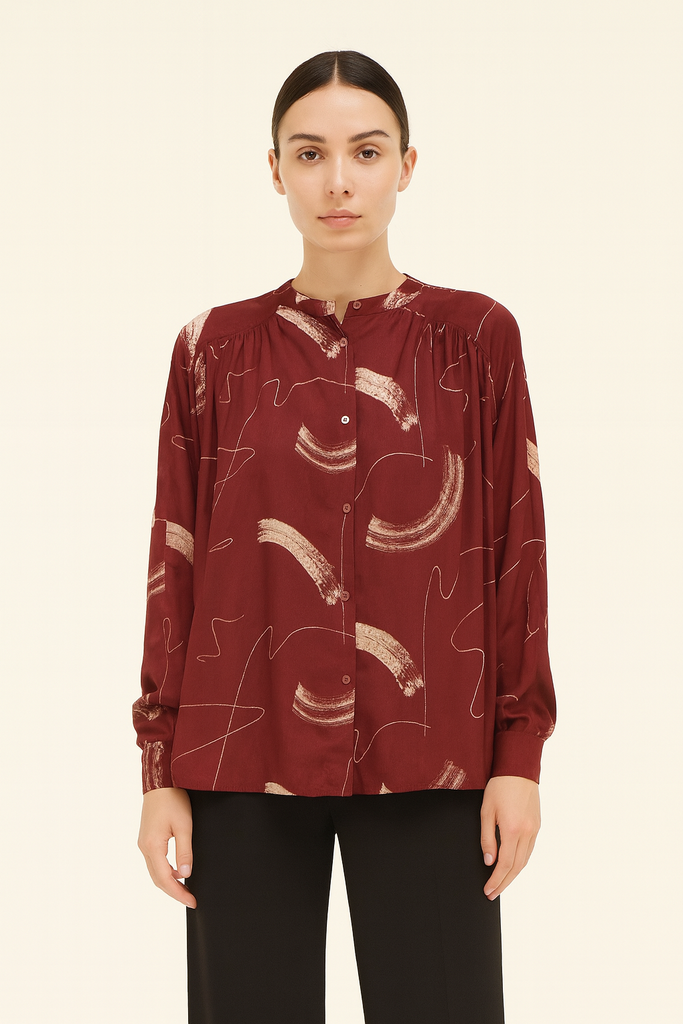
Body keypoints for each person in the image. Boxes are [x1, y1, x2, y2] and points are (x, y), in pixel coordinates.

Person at [133, 49, 557, 1024]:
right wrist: (158, 770)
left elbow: (515, 551)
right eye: (308, 153)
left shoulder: (474, 339)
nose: (337, 181)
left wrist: (518, 754)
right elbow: (175, 560)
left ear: (405, 165)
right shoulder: (211, 351)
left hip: (435, 754)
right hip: (237, 756)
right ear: (273, 169)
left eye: (364, 152)